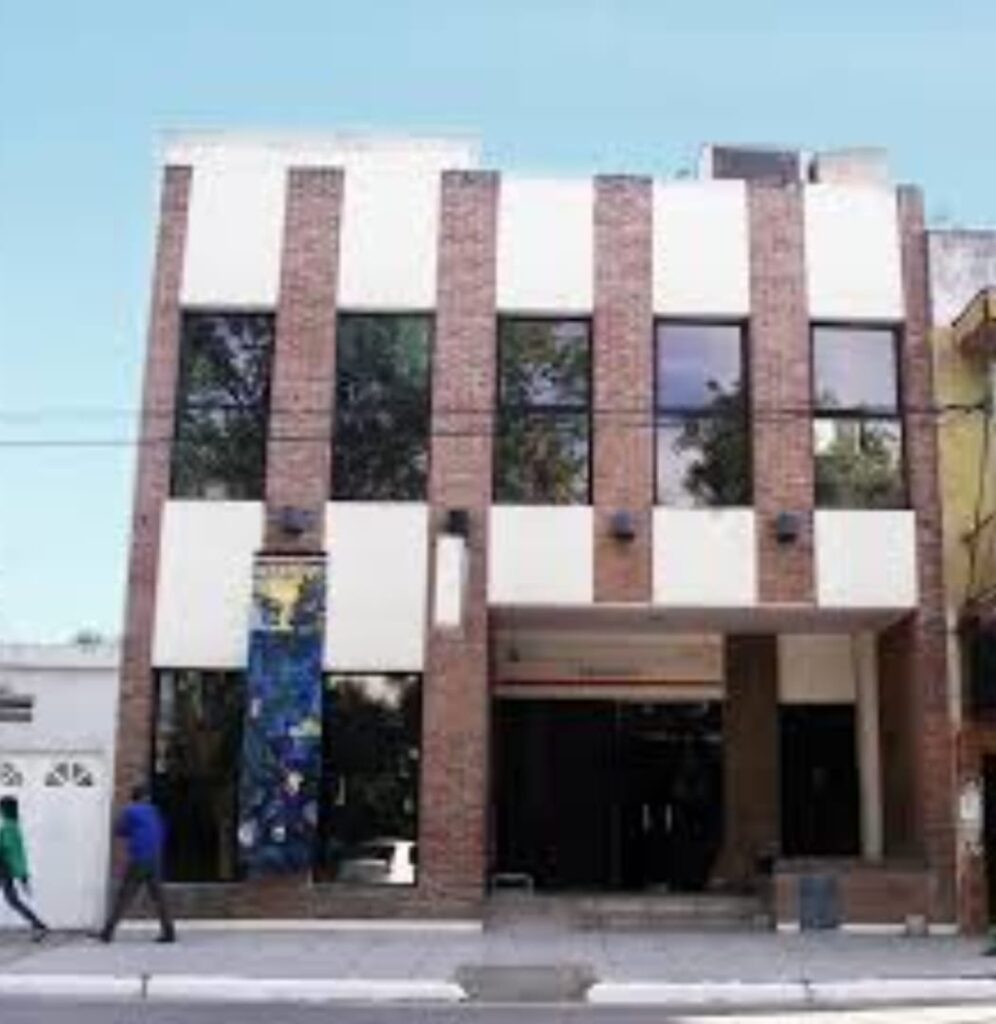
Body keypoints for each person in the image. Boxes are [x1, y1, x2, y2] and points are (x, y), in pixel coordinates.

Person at [97, 784, 175, 943]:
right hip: (155, 858)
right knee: (159, 898)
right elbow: (161, 830)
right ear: (146, 797)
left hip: (140, 859)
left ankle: (107, 932)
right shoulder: (154, 811)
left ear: (134, 797)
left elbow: (119, 830)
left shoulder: (130, 811)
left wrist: (131, 832)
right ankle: (169, 933)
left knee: (124, 896)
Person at [0, 796, 48, 940]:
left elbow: (14, 853)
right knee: (13, 900)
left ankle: (39, 925)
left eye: (2, 808)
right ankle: (38, 925)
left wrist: (22, 875)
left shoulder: (9, 828)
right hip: (5, 869)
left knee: (13, 900)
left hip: (4, 869)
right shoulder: (11, 827)